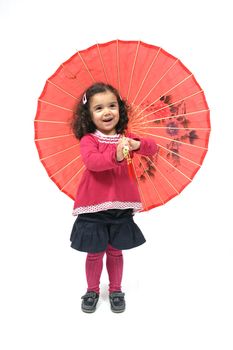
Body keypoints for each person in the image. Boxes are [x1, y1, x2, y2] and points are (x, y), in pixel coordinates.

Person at [70, 82, 157, 313]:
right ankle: (92, 290)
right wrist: (116, 154)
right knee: (95, 251)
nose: (107, 112)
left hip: (121, 205)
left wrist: (137, 144)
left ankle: (116, 289)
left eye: (112, 105)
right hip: (94, 206)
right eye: (99, 108)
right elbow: (93, 162)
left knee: (115, 250)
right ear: (88, 115)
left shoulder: (125, 137)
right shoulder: (89, 139)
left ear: (120, 109)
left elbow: (152, 148)